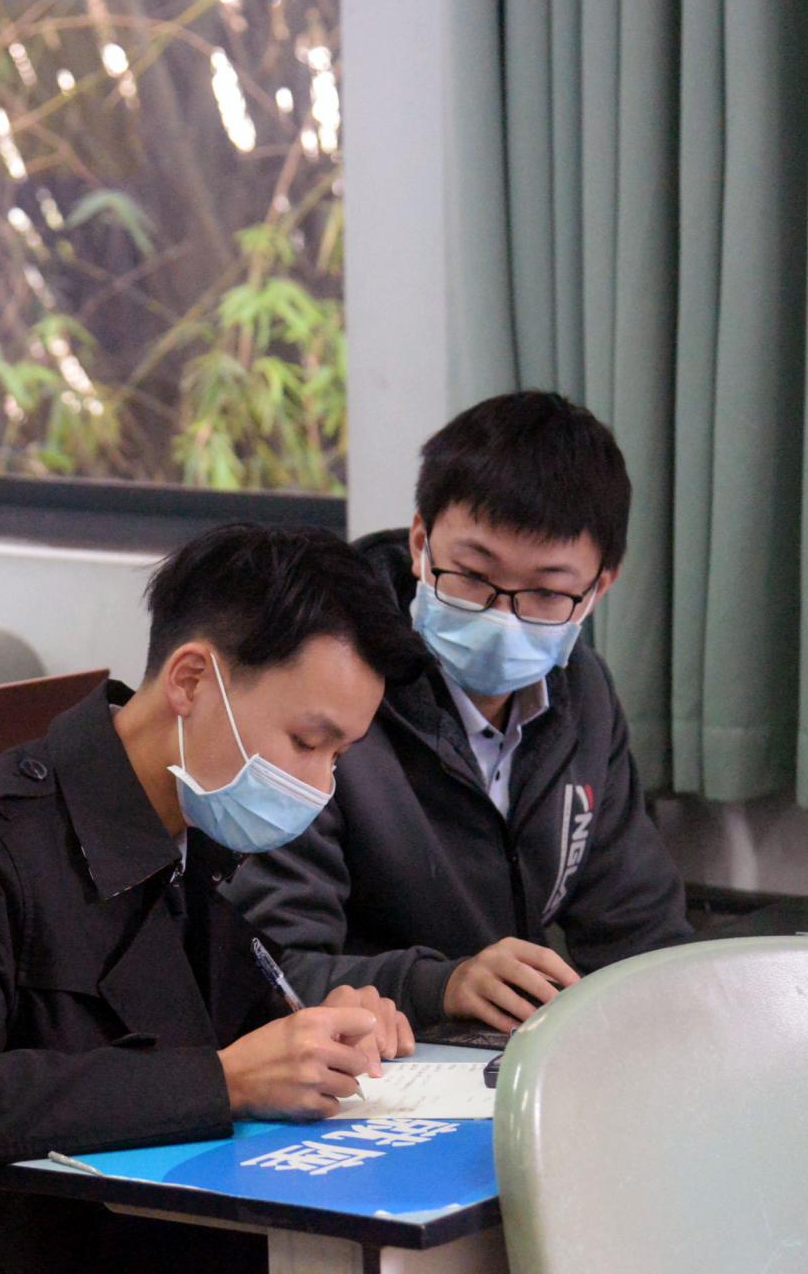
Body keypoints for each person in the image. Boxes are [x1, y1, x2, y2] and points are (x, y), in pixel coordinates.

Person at [0, 523, 420, 1274]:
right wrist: (225, 1081)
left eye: (338, 756)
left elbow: (239, 1018)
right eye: (307, 742)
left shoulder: (200, 830)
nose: (319, 785)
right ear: (191, 681)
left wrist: (323, 1030)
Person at [225, 391, 691, 1034]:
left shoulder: (580, 692)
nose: (503, 618)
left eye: (547, 592)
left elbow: (641, 933)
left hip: (498, 1056)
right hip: (370, 1057)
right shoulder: (325, 685)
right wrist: (442, 984)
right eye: (472, 576)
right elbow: (265, 970)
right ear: (421, 542)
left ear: (598, 588)